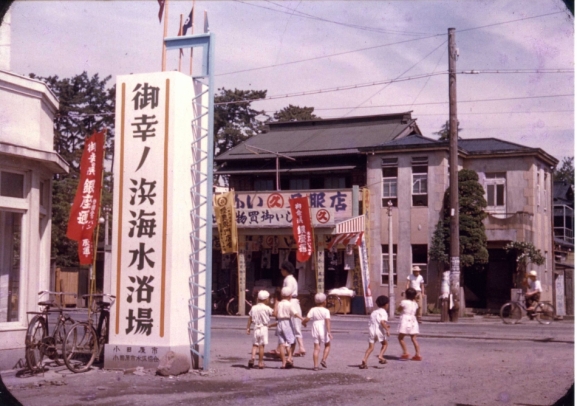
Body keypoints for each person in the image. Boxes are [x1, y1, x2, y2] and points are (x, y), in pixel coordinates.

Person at [280, 260, 306, 357]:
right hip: (294, 302)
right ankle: (301, 347)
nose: (281, 271)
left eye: (282, 270)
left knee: (290, 325)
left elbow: (287, 292)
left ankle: (296, 347)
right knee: (296, 325)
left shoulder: (288, 280)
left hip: (290, 302)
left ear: (286, 270)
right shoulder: (293, 279)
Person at [273, 286, 303, 369]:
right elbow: (295, 313)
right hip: (287, 323)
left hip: (279, 323)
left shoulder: (279, 303)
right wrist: (302, 319)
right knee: (293, 342)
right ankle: (289, 358)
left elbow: (275, 313)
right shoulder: (289, 304)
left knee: (281, 344)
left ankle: (283, 363)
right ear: (290, 296)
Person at [301, 293, 332, 371]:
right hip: (323, 327)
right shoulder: (326, 311)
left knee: (316, 348)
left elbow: (307, 319)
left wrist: (303, 322)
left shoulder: (313, 309)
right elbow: (327, 321)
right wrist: (329, 332)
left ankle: (315, 366)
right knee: (327, 345)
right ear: (325, 301)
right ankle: (324, 359)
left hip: (315, 327)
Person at [360, 295, 390, 369]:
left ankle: (364, 359)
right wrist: (387, 329)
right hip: (379, 331)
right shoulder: (384, 312)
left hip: (371, 330)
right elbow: (382, 322)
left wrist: (386, 326)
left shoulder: (374, 312)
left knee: (370, 347)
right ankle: (380, 356)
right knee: (385, 344)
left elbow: (374, 321)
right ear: (386, 304)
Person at [246, 290, 273, 369]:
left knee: (255, 345)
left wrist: (248, 328)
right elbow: (274, 313)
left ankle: (252, 358)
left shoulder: (254, 307)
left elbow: (250, 318)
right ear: (266, 299)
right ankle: (260, 362)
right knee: (261, 346)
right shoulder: (267, 308)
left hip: (255, 328)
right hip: (264, 328)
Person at [397, 287, 421, 361]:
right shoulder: (415, 304)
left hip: (405, 320)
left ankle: (405, 352)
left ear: (406, 295)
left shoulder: (404, 302)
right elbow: (417, 312)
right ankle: (417, 354)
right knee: (414, 338)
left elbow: (398, 309)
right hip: (413, 320)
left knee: (400, 338)